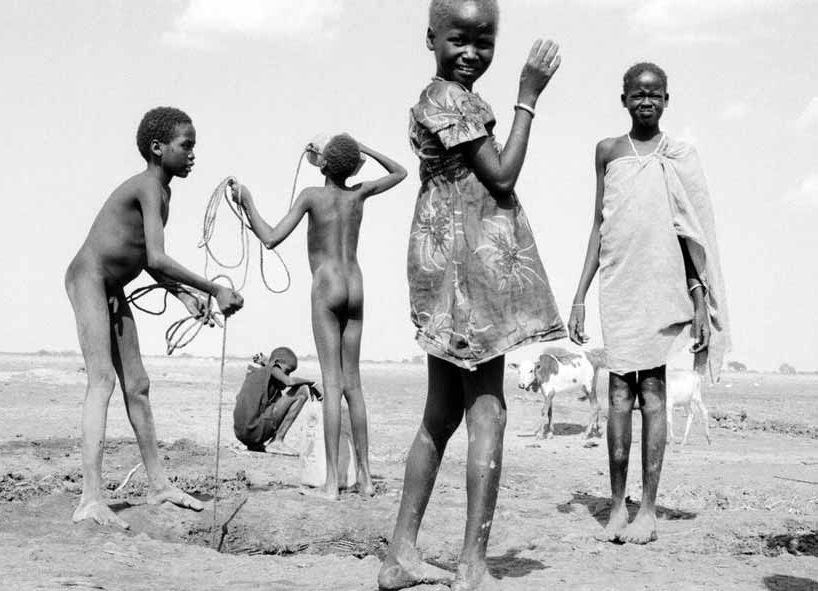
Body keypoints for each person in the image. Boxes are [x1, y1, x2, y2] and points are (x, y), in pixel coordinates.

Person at [378, 2, 565, 589]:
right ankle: (471, 563)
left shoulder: (448, 99)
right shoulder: (449, 101)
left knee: (442, 410)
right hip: (465, 274)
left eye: (483, 42)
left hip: (450, 267)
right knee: (489, 411)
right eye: (459, 39)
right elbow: (503, 174)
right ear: (430, 37)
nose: (471, 52)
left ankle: (400, 554)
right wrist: (528, 95)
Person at [568, 62, 730, 544]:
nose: (646, 100)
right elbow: (599, 224)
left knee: (654, 393)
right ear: (623, 99)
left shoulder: (678, 157)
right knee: (618, 394)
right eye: (637, 93)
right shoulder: (607, 152)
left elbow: (690, 234)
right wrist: (578, 294)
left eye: (655, 93)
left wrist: (700, 300)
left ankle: (650, 510)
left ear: (666, 99)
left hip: (662, 287)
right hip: (618, 285)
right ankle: (617, 507)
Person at [64, 106, 244, 529]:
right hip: (89, 278)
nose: (193, 154)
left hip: (112, 287)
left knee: (138, 386)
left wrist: (182, 295)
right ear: (158, 148)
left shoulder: (163, 192)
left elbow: (146, 259)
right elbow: (159, 257)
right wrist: (212, 288)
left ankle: (159, 483)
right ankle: (90, 497)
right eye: (187, 146)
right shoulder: (147, 185)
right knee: (103, 380)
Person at [231, 134, 406, 498]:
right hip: (355, 284)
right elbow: (400, 171)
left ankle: (331, 485)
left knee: (332, 385)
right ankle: (367, 479)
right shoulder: (358, 193)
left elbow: (271, 237)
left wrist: (247, 202)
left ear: (323, 165)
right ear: (353, 167)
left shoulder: (312, 195)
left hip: (326, 285)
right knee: (353, 387)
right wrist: (361, 151)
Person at [233, 346, 320, 455]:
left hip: (242, 433)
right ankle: (277, 441)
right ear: (277, 363)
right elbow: (289, 382)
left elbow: (277, 376)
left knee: (276, 396)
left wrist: (267, 363)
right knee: (301, 391)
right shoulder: (272, 368)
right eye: (287, 371)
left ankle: (257, 444)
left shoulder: (262, 372)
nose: (287, 375)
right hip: (253, 430)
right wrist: (312, 383)